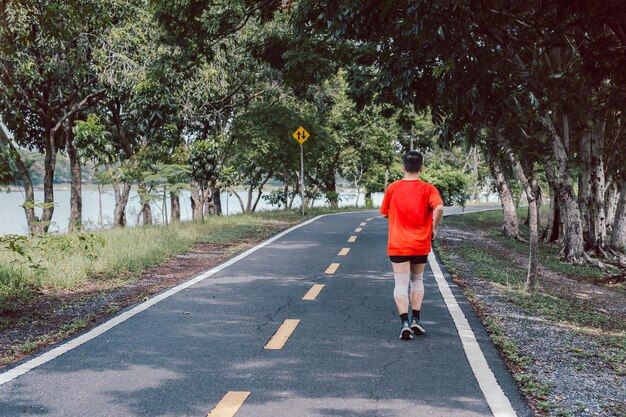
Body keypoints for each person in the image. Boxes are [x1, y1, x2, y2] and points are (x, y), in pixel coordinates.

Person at [380, 151, 444, 340]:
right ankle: (416, 319)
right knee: (417, 281)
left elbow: (384, 212)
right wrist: (433, 228)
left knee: (400, 283)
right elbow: (439, 207)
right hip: (419, 244)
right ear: (421, 168)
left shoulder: (393, 188)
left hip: (398, 244)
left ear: (403, 167)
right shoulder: (428, 189)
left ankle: (404, 323)